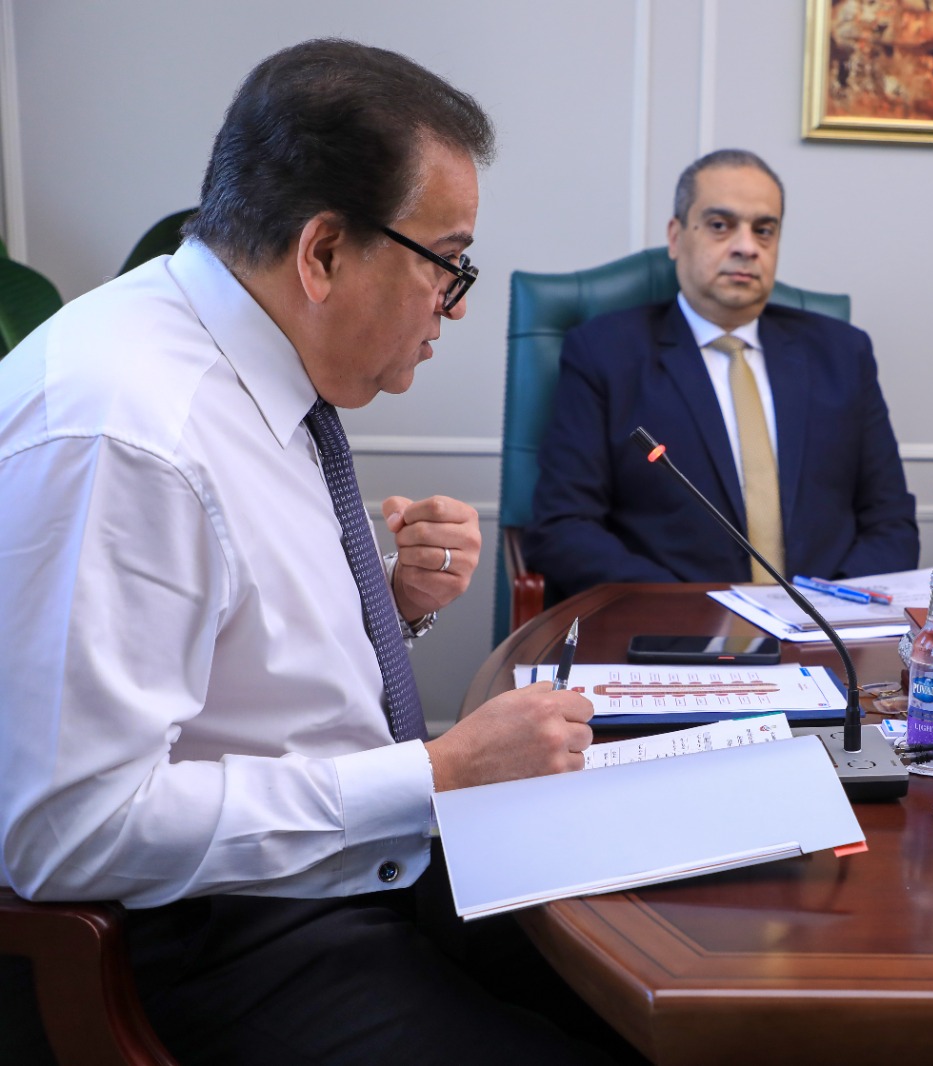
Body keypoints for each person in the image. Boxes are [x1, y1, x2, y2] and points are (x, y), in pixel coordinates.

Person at [0, 40, 610, 1063]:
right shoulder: (128, 430)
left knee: (666, 984)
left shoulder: (251, 362)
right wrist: (437, 772)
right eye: (446, 262)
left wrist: (391, 601)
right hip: (212, 942)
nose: (455, 304)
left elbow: (248, 678)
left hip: (342, 872)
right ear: (323, 252)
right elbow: (71, 830)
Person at [525, 149, 919, 598]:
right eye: (720, 225)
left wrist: (833, 609)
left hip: (826, 624)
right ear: (676, 237)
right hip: (676, 626)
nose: (747, 247)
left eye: (764, 230)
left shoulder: (843, 354)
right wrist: (701, 612)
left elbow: (891, 524)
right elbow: (564, 529)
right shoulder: (604, 354)